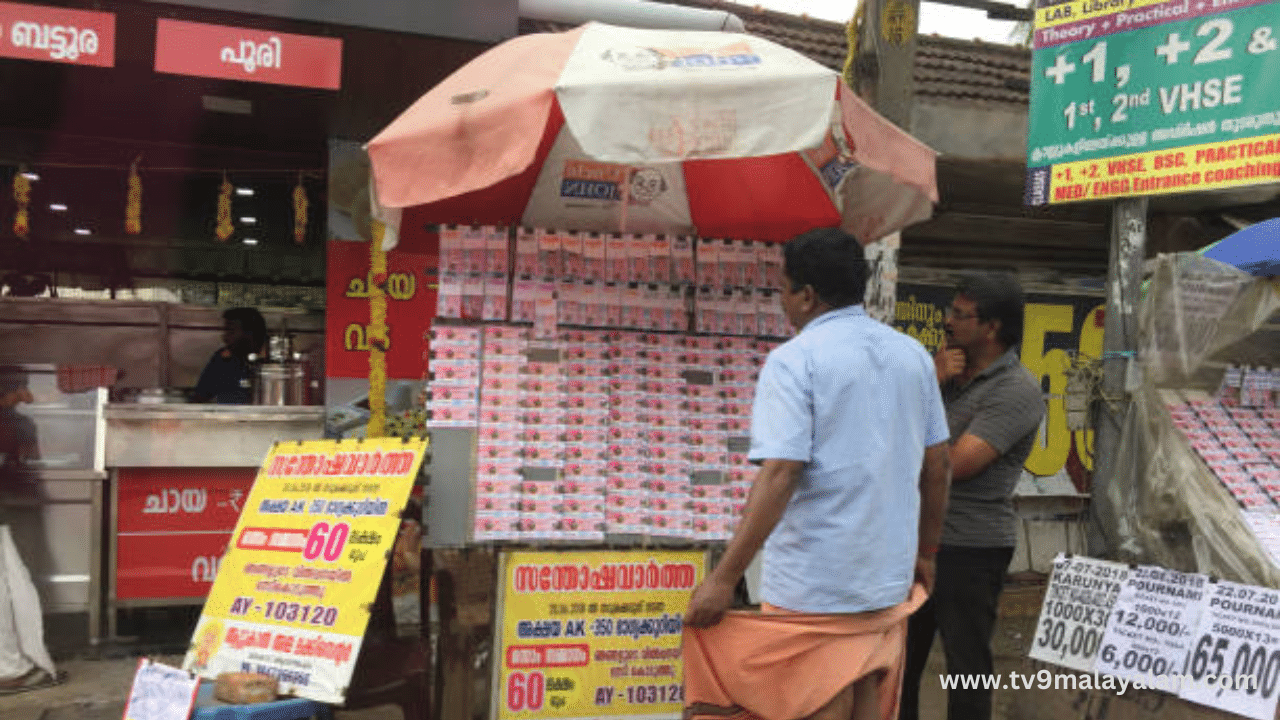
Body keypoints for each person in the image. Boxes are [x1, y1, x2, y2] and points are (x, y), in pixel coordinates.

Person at [683, 228, 952, 720]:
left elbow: (781, 474)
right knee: (866, 692)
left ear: (806, 296)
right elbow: (939, 466)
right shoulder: (913, 356)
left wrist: (724, 578)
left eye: (783, 288)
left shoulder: (794, 361)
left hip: (817, 579)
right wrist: (926, 552)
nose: (782, 300)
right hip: (887, 574)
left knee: (817, 699)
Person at [900, 272, 1046, 720]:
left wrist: (918, 413)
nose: (948, 322)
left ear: (992, 328)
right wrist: (932, 379)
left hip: (971, 546)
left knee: (966, 669)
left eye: (961, 316)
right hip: (916, 538)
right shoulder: (945, 373)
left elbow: (952, 466)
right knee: (899, 662)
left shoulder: (1017, 390)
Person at [0, 369, 62, 695]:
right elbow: (26, 462)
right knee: (5, 589)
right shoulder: (11, 424)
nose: (28, 394)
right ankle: (8, 670)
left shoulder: (17, 422)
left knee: (12, 584)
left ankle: (14, 664)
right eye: (20, 387)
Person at [192, 308, 266, 404]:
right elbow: (200, 398)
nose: (225, 337)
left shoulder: (269, 362)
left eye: (231, 331)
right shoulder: (222, 360)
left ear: (249, 333)